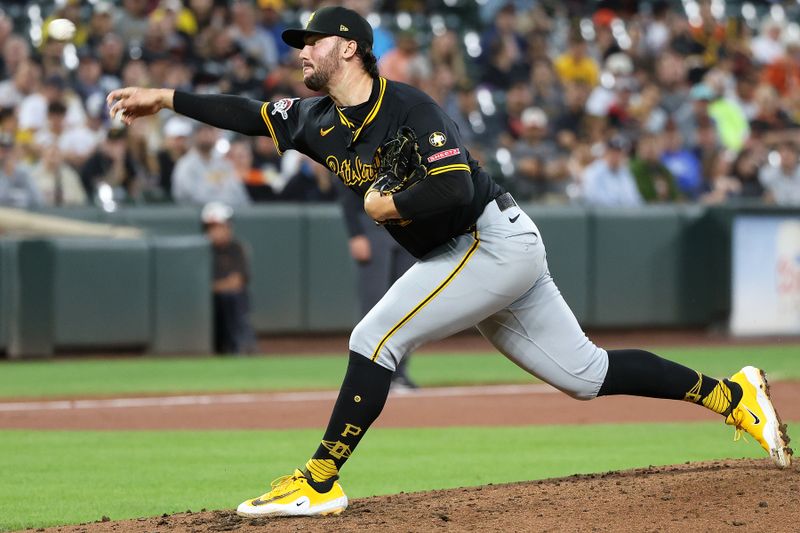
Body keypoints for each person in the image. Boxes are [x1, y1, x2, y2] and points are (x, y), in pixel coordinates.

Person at [107, 6, 792, 519]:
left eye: (311, 40)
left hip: (488, 241)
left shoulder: (408, 107)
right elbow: (247, 113)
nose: (302, 51)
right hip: (474, 254)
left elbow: (457, 185)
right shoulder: (313, 120)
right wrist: (164, 98)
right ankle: (732, 394)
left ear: (347, 46)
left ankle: (319, 478)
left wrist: (389, 206)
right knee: (586, 374)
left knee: (374, 335)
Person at [339, 181, 418, 390]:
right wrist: (355, 233)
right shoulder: (364, 149)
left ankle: (399, 374)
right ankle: (368, 376)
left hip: (406, 224)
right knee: (373, 306)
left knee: (406, 306)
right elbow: (347, 190)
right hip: (372, 225)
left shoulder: (411, 150)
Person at [201, 201, 256, 354]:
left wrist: (214, 286)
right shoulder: (201, 250)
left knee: (233, 296)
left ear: (228, 227)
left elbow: (237, 282)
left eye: (218, 226)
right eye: (210, 227)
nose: (215, 231)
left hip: (232, 301)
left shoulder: (237, 248)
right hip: (208, 304)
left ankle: (243, 346)